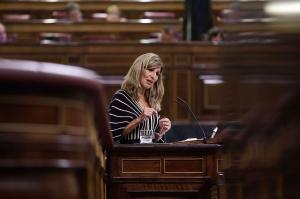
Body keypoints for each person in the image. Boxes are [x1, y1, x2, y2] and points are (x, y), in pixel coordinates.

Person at [108, 53, 171, 144]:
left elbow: (148, 139)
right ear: (138, 69)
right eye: (150, 70)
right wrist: (139, 119)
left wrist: (160, 132)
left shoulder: (151, 101)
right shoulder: (121, 97)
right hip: (129, 156)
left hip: (149, 155)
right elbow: (113, 135)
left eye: (157, 74)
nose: (153, 76)